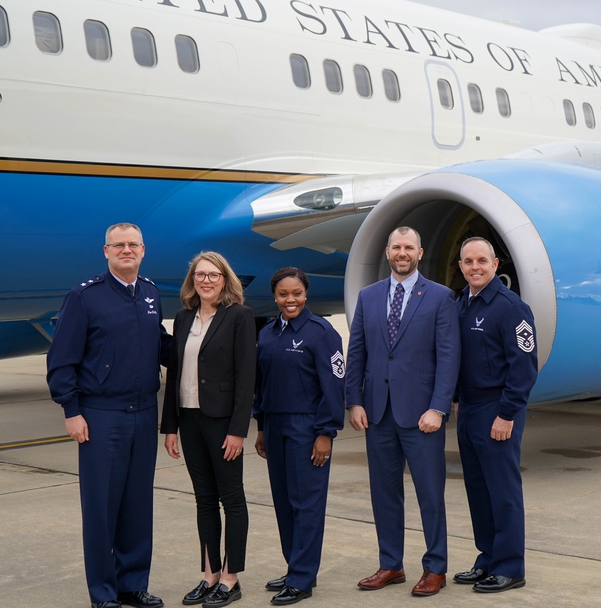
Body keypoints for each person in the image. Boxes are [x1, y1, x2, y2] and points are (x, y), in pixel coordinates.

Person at [46, 222, 171, 608]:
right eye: (119, 245)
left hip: (144, 413)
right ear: (106, 251)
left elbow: (161, 346)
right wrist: (72, 410)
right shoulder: (85, 297)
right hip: (102, 415)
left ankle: (133, 584)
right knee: (101, 508)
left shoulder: (150, 293)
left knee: (137, 504)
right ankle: (103, 593)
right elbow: (61, 359)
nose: (127, 250)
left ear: (144, 250)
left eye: (133, 244)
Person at [345, 226, 460, 597]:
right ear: (388, 251)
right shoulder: (369, 296)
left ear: (420, 252)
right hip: (378, 413)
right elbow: (357, 352)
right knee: (384, 493)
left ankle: (436, 568)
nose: (402, 252)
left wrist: (439, 408)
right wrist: (355, 400)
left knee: (430, 494)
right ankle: (390, 564)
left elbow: (448, 357)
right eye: (396, 247)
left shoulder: (441, 297)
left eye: (409, 247)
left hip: (422, 415)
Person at [161, 251, 255, 608]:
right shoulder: (183, 318)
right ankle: (209, 574)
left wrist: (238, 429)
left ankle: (231, 580)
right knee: (203, 499)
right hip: (190, 419)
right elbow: (173, 375)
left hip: (222, 422)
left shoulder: (239, 317)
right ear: (192, 280)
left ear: (225, 279)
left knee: (231, 499)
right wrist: (170, 426)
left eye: (213, 275)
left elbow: (246, 377)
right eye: (200, 275)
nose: (206, 281)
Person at [254, 267, 346, 605]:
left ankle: (303, 578)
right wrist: (262, 427)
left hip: (308, 427)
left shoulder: (322, 333)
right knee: (283, 501)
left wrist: (326, 433)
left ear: (306, 294)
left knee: (306, 503)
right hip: (275, 426)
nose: (290, 300)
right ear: (275, 297)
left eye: (296, 293)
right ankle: (296, 566)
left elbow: (334, 387)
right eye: (283, 294)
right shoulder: (266, 333)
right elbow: (260, 385)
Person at [451, 237, 537, 593]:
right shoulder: (461, 303)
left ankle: (510, 567)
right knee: (478, 490)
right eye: (469, 261)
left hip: (496, 409)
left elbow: (524, 367)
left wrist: (507, 414)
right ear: (460, 266)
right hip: (469, 409)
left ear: (496, 264)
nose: (475, 267)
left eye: (482, 261)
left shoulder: (510, 307)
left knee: (502, 492)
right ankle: (487, 558)